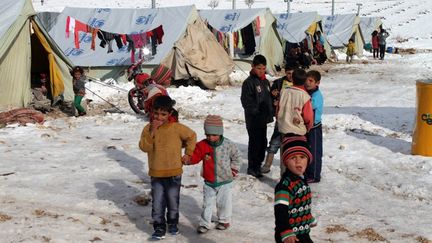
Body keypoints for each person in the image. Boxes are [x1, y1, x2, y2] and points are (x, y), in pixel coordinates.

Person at [138, 95, 197, 240]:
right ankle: (159, 226)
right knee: (157, 202)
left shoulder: (176, 128)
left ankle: (172, 223)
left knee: (172, 201)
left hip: (174, 172)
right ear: (152, 112)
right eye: (156, 113)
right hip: (157, 173)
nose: (159, 117)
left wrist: (188, 154)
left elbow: (192, 136)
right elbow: (144, 147)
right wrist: (152, 132)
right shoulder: (148, 128)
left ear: (170, 114)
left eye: (163, 114)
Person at [185, 115, 241, 234]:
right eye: (208, 135)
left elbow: (237, 157)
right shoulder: (202, 145)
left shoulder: (228, 145)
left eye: (214, 135)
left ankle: (224, 220)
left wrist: (233, 170)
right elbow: (196, 156)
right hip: (209, 181)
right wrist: (188, 160)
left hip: (225, 181)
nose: (211, 137)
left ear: (220, 133)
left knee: (224, 203)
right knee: (207, 204)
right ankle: (205, 223)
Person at [274, 136, 316, 243]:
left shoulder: (301, 180)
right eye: (293, 158)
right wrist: (286, 230)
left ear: (308, 160)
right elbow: (280, 210)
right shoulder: (284, 186)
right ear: (286, 162)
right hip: (290, 236)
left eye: (302, 157)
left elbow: (300, 203)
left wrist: (308, 217)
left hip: (302, 232)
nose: (298, 161)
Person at [240, 54, 274, 178]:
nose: (261, 71)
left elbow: (267, 99)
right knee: (255, 143)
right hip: (253, 120)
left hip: (263, 119)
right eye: (259, 68)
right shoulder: (248, 83)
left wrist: (271, 110)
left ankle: (258, 165)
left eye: (263, 68)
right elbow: (246, 102)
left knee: (263, 143)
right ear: (253, 67)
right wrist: (257, 112)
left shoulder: (265, 82)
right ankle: (252, 167)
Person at [261, 63, 297, 174]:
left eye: (292, 73)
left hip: (293, 119)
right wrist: (273, 97)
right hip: (281, 117)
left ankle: (286, 170)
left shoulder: (299, 83)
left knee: (288, 145)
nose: (290, 75)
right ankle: (267, 165)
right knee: (275, 141)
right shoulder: (279, 83)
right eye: (288, 73)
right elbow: (270, 97)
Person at [277, 69, 314, 175]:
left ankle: (284, 178)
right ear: (305, 81)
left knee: (285, 155)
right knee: (298, 158)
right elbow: (308, 118)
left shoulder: (283, 92)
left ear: (292, 79)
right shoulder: (305, 96)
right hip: (298, 132)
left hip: (284, 130)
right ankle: (296, 180)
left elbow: (278, 110)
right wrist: (308, 127)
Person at [304, 70, 323, 183]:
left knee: (315, 151)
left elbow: (310, 106)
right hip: (307, 127)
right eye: (307, 80)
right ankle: (307, 171)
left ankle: (315, 175)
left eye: (311, 81)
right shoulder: (307, 92)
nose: (308, 83)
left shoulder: (317, 95)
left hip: (315, 128)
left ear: (317, 83)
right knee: (307, 150)